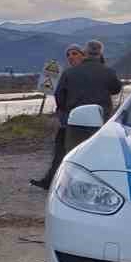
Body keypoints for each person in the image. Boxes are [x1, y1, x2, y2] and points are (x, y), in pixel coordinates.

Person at [30, 44, 86, 190]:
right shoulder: (67, 74)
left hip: (81, 120)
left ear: (83, 55)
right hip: (67, 119)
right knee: (60, 151)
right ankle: (50, 181)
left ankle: (62, 182)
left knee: (72, 152)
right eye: (68, 55)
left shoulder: (84, 74)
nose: (71, 57)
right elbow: (59, 95)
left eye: (74, 53)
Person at [56, 39, 124, 152]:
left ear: (85, 52)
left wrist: (66, 113)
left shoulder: (69, 73)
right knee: (100, 152)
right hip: (101, 119)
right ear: (100, 53)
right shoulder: (108, 71)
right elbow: (116, 89)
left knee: (75, 153)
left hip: (75, 122)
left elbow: (59, 97)